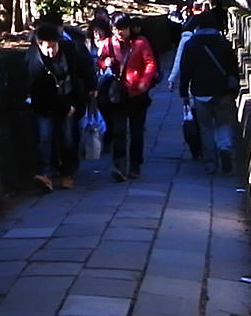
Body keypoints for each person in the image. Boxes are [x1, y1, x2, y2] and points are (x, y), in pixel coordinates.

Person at [168, 0, 242, 174]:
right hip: (223, 91)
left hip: (201, 92)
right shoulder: (224, 43)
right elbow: (233, 67)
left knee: (206, 127)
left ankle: (210, 161)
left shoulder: (191, 44)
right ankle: (225, 148)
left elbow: (185, 70)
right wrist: (234, 88)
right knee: (223, 123)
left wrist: (183, 92)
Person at [25, 16, 92, 190]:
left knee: (68, 139)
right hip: (45, 104)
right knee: (45, 137)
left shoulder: (69, 49)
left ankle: (67, 172)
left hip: (69, 98)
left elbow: (81, 69)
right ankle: (45, 173)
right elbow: (41, 91)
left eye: (53, 46)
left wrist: (88, 89)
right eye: (47, 48)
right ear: (39, 45)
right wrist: (65, 106)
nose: (51, 52)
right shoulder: (35, 62)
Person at [98, 12, 158, 182]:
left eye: (123, 29)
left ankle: (135, 165)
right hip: (118, 93)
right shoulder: (108, 43)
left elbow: (150, 63)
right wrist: (104, 63)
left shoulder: (140, 43)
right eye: (117, 29)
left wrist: (144, 82)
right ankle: (119, 164)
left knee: (137, 131)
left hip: (137, 93)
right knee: (118, 130)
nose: (120, 33)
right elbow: (100, 60)